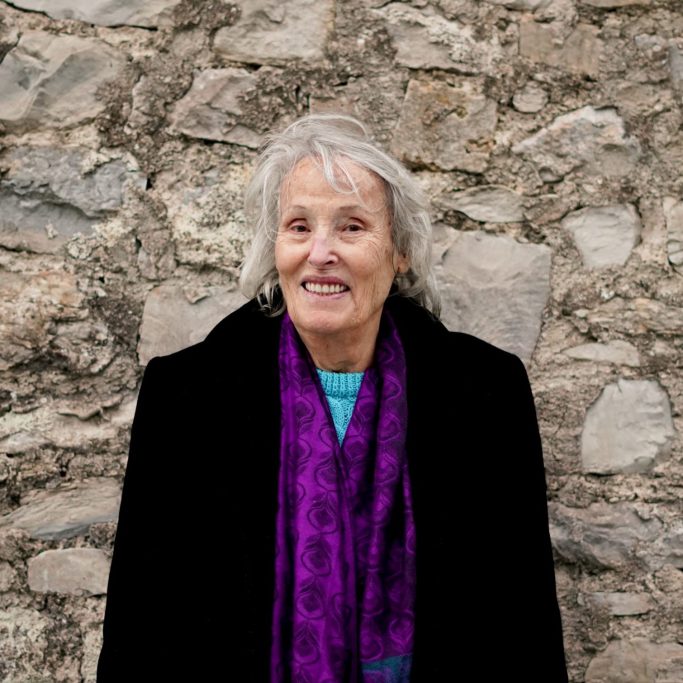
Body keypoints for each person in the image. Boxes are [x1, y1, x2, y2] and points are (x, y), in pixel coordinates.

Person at [96, 113, 569, 682]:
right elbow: (144, 625)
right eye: (299, 227)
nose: (320, 252)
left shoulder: (485, 395)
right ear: (275, 247)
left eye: (351, 227)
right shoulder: (188, 399)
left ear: (399, 252)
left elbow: (521, 619)